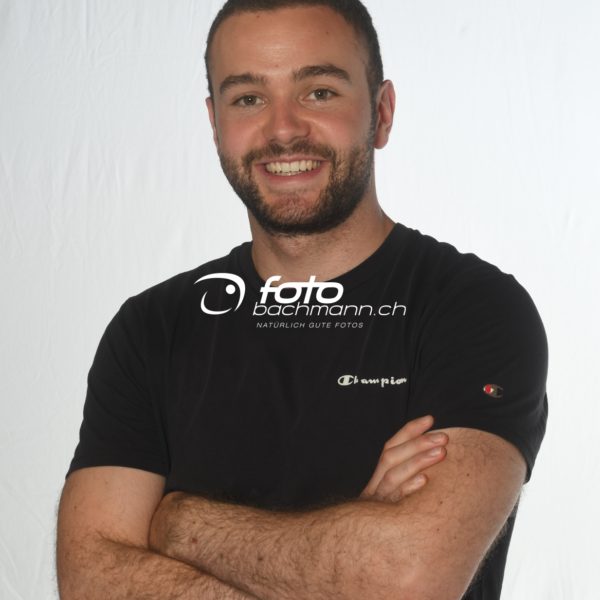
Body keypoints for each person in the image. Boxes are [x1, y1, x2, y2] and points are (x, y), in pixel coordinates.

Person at [56, 1, 548, 599]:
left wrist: (180, 525)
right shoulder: (151, 330)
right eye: (248, 98)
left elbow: (406, 578)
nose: (283, 129)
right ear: (214, 123)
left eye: (319, 92)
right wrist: (352, 550)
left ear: (381, 113)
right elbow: (91, 578)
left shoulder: (473, 311)